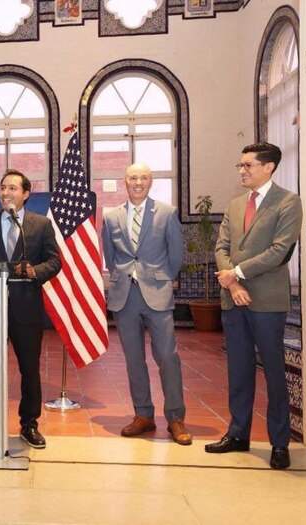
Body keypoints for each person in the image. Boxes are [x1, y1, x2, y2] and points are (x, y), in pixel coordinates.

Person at [206, 142, 302, 470]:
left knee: (273, 372)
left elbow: (279, 250)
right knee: (239, 370)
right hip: (233, 299)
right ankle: (237, 434)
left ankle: (279, 443)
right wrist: (232, 283)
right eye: (241, 165)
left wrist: (238, 272)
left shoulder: (288, 203)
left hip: (267, 300)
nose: (242, 170)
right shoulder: (235, 205)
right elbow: (221, 246)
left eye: (248, 165)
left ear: (269, 167)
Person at [0, 169, 61, 449]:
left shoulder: (40, 224)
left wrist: (34, 271)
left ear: (26, 194)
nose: (6, 193)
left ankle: (29, 424)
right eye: (3, 188)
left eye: (13, 189)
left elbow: (55, 262)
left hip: (26, 308)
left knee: (29, 369)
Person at [101, 163, 192, 445]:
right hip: (125, 296)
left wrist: (161, 278)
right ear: (125, 181)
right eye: (132, 178)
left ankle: (175, 418)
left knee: (167, 357)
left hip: (157, 293)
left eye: (143, 178)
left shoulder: (166, 213)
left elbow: (176, 255)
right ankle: (143, 415)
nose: (138, 182)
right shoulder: (111, 216)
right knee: (133, 360)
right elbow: (110, 254)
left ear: (150, 182)